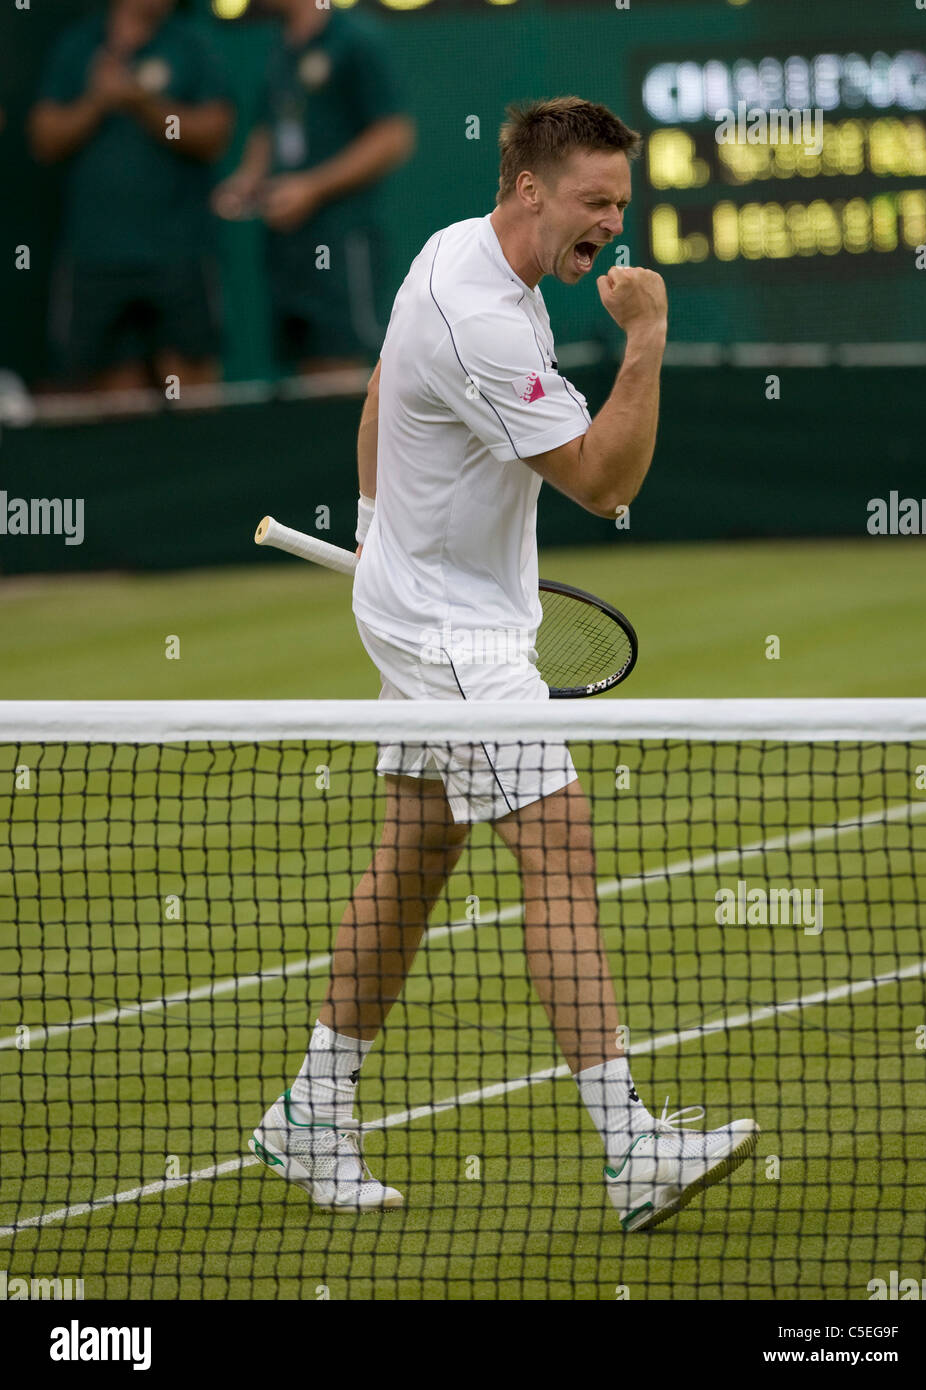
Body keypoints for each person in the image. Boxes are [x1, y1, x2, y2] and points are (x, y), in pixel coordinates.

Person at [249, 98, 759, 1233]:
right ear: (530, 187)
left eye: (620, 206)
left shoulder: (453, 256)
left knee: (420, 847)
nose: (610, 230)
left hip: (431, 601)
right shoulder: (482, 311)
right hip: (452, 631)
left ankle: (308, 1112)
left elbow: (383, 395)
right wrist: (647, 338)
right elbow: (605, 482)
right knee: (559, 841)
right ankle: (631, 1145)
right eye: (595, 204)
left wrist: (381, 524)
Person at [28, 0, 233, 392]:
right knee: (116, 407)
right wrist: (99, 101)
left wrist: (144, 104)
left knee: (195, 396)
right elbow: (45, 139)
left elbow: (214, 135)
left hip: (179, 253)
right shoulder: (79, 45)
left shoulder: (191, 45)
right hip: (97, 257)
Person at [212, 0, 414, 376]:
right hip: (286, 248)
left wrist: (312, 188)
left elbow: (393, 137)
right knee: (301, 380)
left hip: (342, 242)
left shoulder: (356, 38)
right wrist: (247, 180)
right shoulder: (279, 49)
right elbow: (268, 127)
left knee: (339, 371)